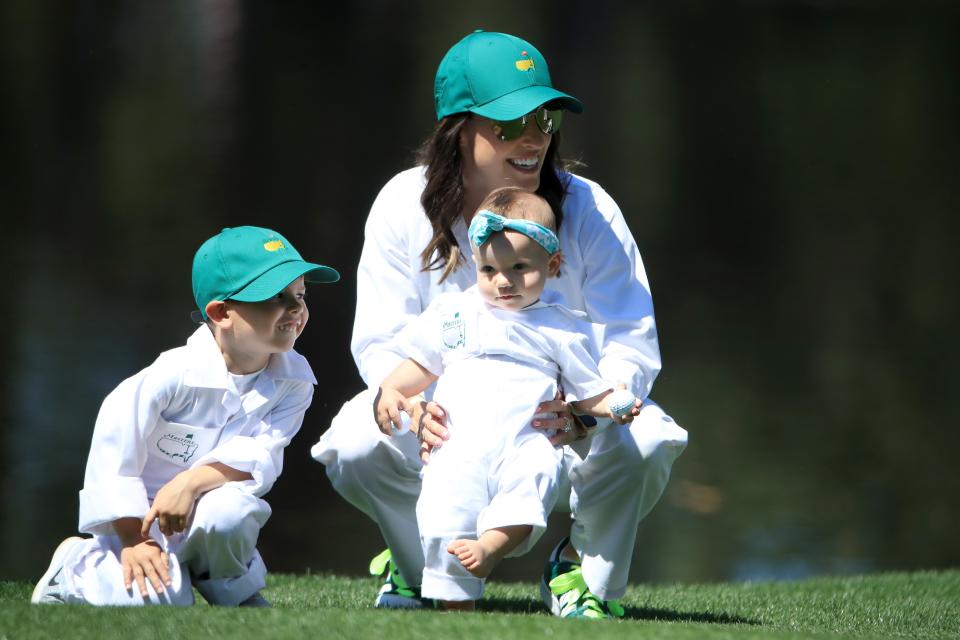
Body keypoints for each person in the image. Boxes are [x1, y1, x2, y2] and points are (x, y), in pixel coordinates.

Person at [311, 29, 688, 619]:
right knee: (354, 442)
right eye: (509, 124)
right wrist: (408, 405)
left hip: (554, 428)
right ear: (457, 130)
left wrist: (584, 412)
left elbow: (630, 336)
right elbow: (382, 340)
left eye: (543, 118)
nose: (534, 138)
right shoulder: (400, 204)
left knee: (649, 438)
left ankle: (582, 574)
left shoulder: (590, 208)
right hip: (445, 432)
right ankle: (417, 569)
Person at [31, 225, 339, 607]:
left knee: (233, 510)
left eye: (300, 294)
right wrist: (133, 539)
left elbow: (262, 456)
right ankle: (74, 571)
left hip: (206, 505)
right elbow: (113, 458)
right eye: (275, 297)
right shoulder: (169, 377)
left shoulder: (295, 381)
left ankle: (231, 590)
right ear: (221, 312)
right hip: (138, 522)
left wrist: (192, 483)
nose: (295, 308)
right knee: (161, 603)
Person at [374, 188, 641, 611]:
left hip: (525, 440)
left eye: (519, 268)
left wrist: (613, 404)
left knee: (529, 485)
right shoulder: (455, 313)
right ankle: (454, 604)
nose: (503, 281)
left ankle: (492, 547)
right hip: (458, 440)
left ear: (551, 266)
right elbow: (419, 364)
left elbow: (587, 391)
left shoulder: (559, 327)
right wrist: (391, 390)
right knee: (445, 504)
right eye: (489, 269)